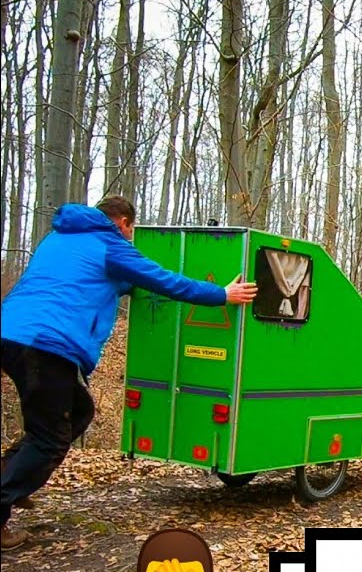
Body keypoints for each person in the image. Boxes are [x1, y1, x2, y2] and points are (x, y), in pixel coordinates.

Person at [1, 198, 257, 550]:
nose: (130, 237)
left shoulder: (58, 239)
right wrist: (221, 294)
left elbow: (95, 282)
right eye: (131, 230)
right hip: (45, 343)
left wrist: (130, 284)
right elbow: (163, 279)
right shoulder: (110, 243)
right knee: (50, 438)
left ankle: (15, 475)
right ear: (122, 222)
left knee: (78, 412)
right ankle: (6, 496)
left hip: (12, 332)